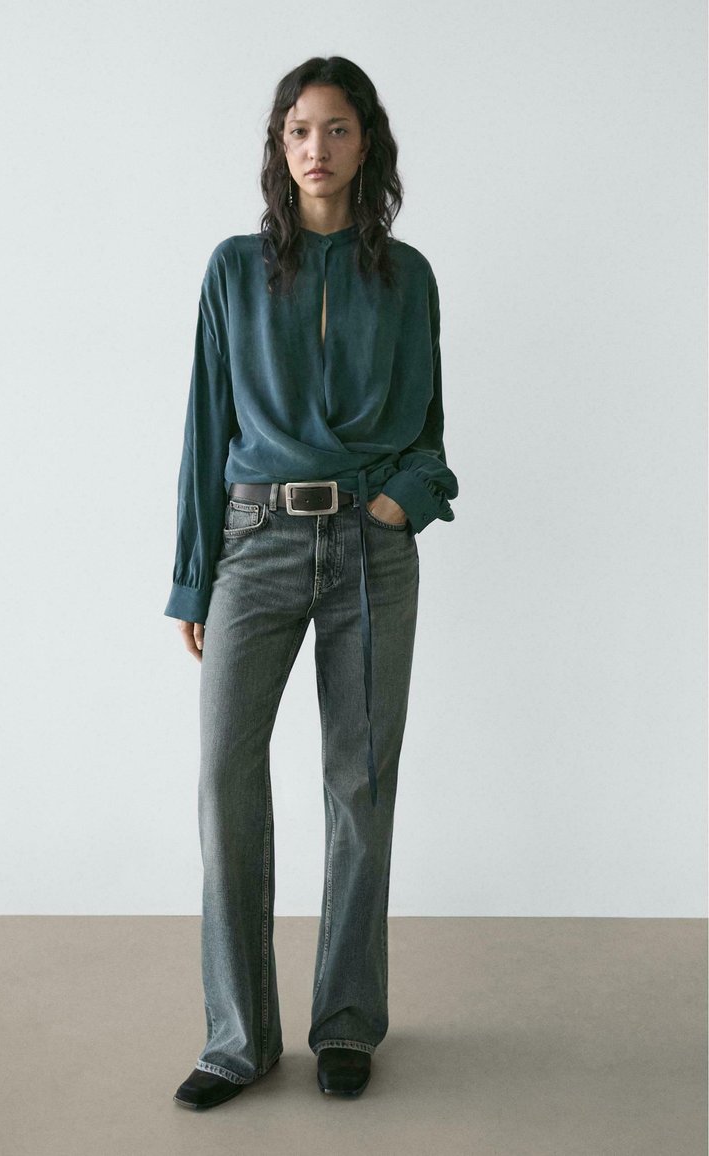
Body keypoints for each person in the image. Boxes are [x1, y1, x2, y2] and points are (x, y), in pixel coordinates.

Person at [165, 56, 458, 1111]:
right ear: (278, 147)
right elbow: (206, 422)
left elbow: (428, 434)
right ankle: (238, 1039)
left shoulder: (406, 276)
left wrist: (401, 503)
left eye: (335, 129)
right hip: (255, 543)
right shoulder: (233, 270)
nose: (315, 148)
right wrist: (193, 577)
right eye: (297, 130)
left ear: (365, 142)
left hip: (372, 550)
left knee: (358, 787)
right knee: (224, 778)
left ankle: (345, 1025)